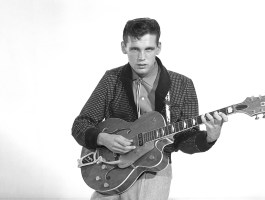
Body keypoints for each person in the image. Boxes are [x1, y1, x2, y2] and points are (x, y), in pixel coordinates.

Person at [72, 17, 228, 200]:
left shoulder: (182, 84)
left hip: (154, 167)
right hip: (110, 166)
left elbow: (185, 140)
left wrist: (210, 137)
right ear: (123, 47)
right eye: (134, 49)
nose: (141, 58)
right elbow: (81, 124)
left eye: (148, 49)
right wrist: (102, 138)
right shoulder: (111, 80)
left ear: (158, 47)